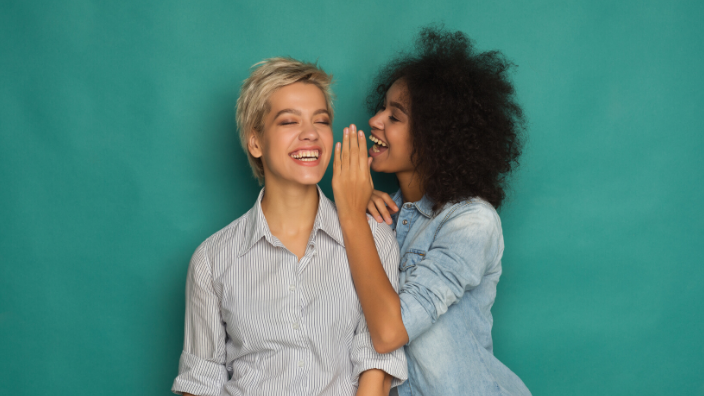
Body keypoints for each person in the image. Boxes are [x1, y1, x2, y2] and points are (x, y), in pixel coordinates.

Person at [172, 57, 407, 396]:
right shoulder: (211, 260)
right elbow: (200, 383)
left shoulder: (375, 239)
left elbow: (377, 367)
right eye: (288, 121)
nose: (310, 134)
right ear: (255, 142)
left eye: (321, 121)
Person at [331, 27, 531, 395]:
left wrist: (348, 213)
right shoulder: (379, 217)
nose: (375, 120)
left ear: (433, 136)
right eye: (382, 108)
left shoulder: (472, 222)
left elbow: (391, 332)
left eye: (395, 116)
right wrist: (357, 213)